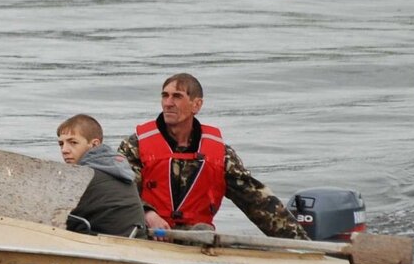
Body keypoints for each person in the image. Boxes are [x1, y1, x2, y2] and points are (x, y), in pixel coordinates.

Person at [118, 73, 308, 239]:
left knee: (203, 234)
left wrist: (303, 245)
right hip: (147, 234)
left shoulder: (220, 154)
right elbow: (121, 190)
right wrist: (148, 213)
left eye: (177, 97)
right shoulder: (136, 146)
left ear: (196, 105)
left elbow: (256, 201)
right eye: (165, 96)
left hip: (197, 237)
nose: (168, 103)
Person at [56, 114, 146, 237]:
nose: (64, 150)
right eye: (61, 144)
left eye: (73, 142)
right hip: (135, 241)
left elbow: (57, 219)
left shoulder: (85, 177)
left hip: (110, 248)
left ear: (94, 144)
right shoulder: (117, 168)